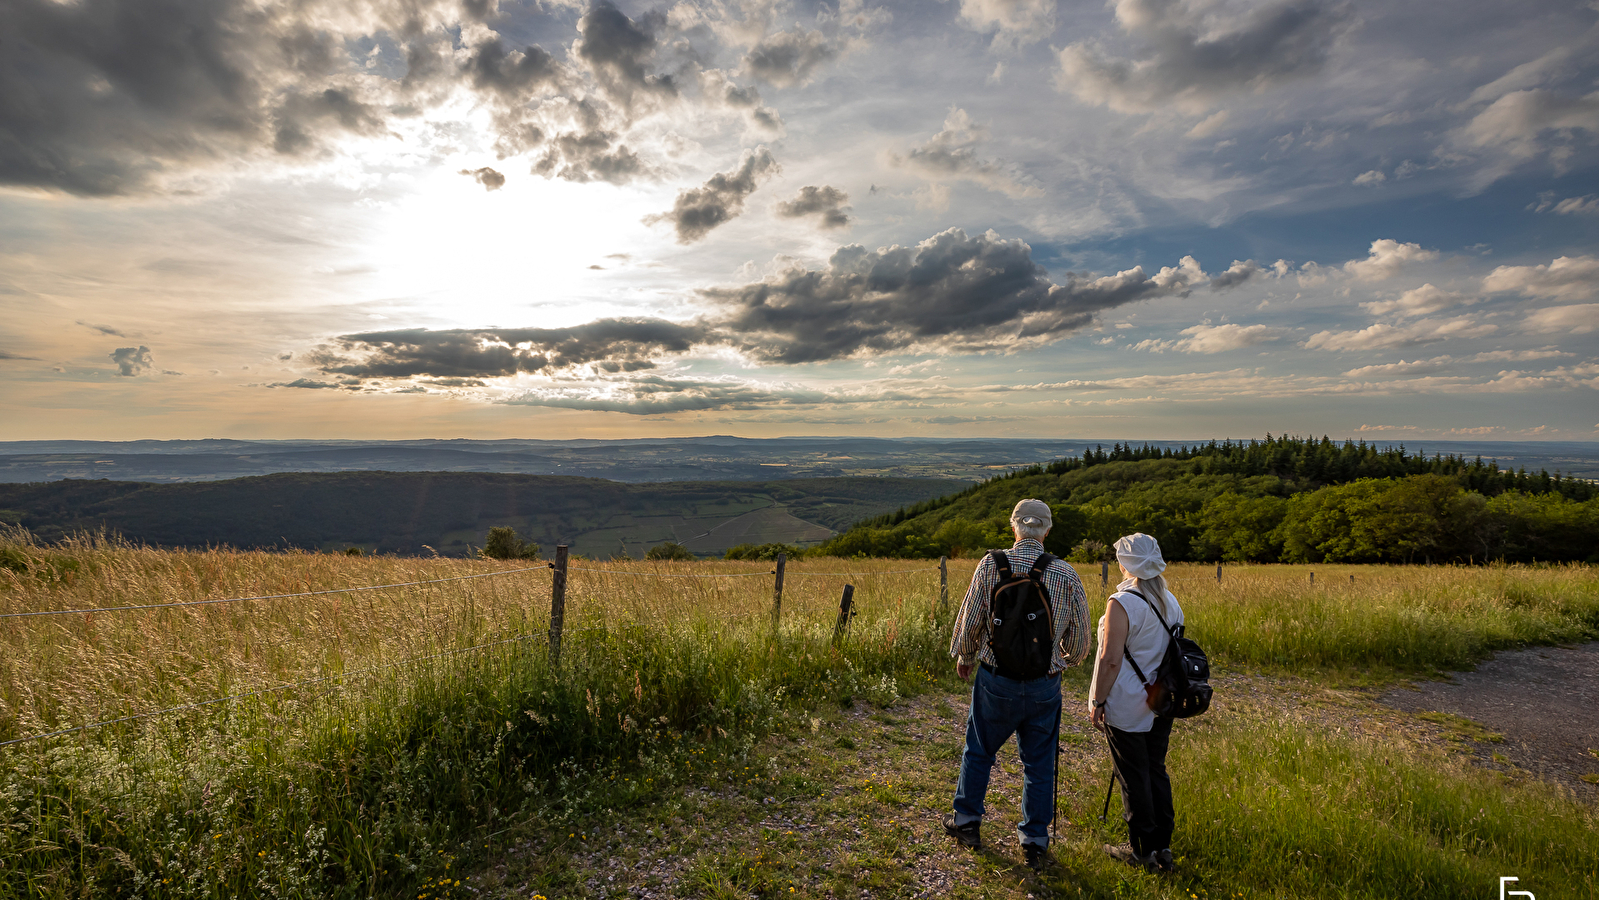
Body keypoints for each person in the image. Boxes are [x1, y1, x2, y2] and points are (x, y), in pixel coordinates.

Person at [944, 499, 1089, 871]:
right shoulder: (1066, 574)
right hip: (1044, 684)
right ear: (1047, 531)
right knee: (1039, 763)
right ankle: (1034, 841)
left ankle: (966, 824)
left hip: (996, 678)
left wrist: (966, 655)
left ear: (1014, 528)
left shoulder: (992, 564)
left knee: (979, 751)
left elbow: (973, 614)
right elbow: (1080, 642)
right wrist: (1064, 661)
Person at [1088, 532, 1183, 874]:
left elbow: (1110, 659)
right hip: (1160, 700)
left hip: (1127, 700)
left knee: (1133, 775)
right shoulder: (1171, 602)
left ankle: (1141, 850)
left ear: (1125, 563)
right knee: (1155, 769)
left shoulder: (1122, 602)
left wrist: (1098, 699)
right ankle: (1162, 846)